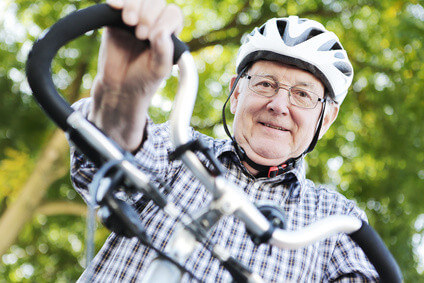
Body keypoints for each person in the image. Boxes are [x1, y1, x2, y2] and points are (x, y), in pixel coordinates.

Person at [70, 0, 379, 281]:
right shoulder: (177, 149)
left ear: (325, 119)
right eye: (265, 84)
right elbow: (106, 159)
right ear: (236, 94)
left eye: (302, 94)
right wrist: (121, 96)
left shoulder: (338, 221)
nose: (279, 105)